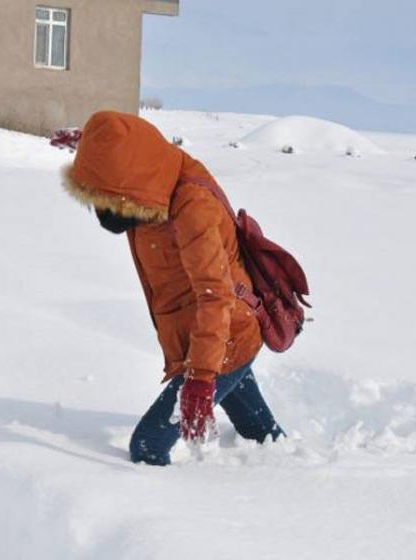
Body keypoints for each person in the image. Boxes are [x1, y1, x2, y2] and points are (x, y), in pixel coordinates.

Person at [61, 111, 284, 466]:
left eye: (111, 202)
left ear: (131, 188)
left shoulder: (191, 208)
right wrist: (92, 151)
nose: (104, 212)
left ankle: (175, 514)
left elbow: (215, 296)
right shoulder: (150, 174)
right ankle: (290, 466)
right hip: (220, 338)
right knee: (260, 436)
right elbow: (125, 148)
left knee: (148, 445)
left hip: (224, 335)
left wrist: (200, 378)